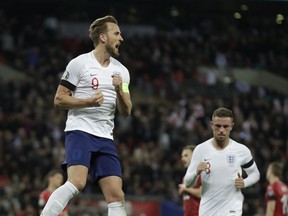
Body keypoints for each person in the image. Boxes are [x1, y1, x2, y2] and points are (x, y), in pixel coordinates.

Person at [41, 15, 132, 216]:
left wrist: (119, 91)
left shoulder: (122, 72)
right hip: (80, 130)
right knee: (77, 182)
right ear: (102, 37)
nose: (121, 38)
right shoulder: (79, 64)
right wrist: (87, 102)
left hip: (106, 137)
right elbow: (59, 100)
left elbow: (127, 111)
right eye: (116, 33)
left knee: (116, 195)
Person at [184, 107, 260, 216]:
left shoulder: (241, 150)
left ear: (232, 126)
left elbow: (255, 174)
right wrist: (196, 172)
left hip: (232, 210)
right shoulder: (200, 150)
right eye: (218, 126)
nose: (221, 130)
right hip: (207, 211)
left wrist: (245, 182)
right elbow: (187, 183)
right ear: (211, 125)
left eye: (225, 126)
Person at [178, 145, 201, 216]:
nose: (182, 159)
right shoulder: (186, 176)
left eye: (186, 155)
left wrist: (185, 188)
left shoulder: (200, 173)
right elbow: (181, 191)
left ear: (194, 156)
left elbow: (200, 193)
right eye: (182, 156)